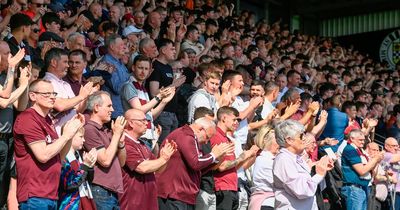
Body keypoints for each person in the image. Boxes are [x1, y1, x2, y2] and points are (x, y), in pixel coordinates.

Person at [13, 79, 84, 208]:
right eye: (46, 94)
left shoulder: (47, 120)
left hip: (51, 194)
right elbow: (43, 155)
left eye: (53, 94)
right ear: (32, 96)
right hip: (34, 195)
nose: (52, 97)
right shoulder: (28, 118)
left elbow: (60, 157)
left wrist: (71, 133)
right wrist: (66, 135)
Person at [157, 116, 234, 210]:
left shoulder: (192, 138)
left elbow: (198, 169)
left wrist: (218, 158)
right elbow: (195, 163)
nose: (206, 142)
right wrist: (213, 155)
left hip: (184, 196)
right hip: (174, 195)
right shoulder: (185, 135)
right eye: (207, 137)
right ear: (200, 129)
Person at [118, 109, 177, 210]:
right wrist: (163, 158)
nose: (147, 123)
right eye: (143, 120)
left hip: (148, 202)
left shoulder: (142, 144)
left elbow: (158, 169)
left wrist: (166, 157)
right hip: (133, 203)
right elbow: (142, 168)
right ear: (131, 123)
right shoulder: (125, 143)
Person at [273, 119, 333, 210]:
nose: (305, 138)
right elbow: (302, 191)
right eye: (301, 136)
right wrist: (319, 174)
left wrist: (322, 168)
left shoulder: (295, 158)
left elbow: (314, 188)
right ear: (289, 140)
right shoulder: (284, 159)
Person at [83, 91, 127, 210]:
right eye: (109, 106)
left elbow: (122, 163)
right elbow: (105, 161)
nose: (112, 110)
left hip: (111, 191)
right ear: (96, 107)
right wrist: (116, 135)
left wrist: (121, 144)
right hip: (100, 190)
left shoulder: (106, 130)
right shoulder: (89, 129)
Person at [120, 55, 175, 148]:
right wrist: (159, 96)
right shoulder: (129, 86)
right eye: (140, 68)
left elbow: (151, 115)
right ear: (133, 68)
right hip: (137, 137)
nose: (143, 72)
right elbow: (139, 111)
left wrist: (164, 102)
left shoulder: (143, 89)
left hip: (148, 136)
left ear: (150, 71)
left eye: (146, 69)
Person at [210, 106, 259, 210]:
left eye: (238, 120)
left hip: (232, 187)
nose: (237, 122)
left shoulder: (226, 138)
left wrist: (248, 156)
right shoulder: (216, 136)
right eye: (234, 119)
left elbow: (233, 167)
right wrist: (242, 157)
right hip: (222, 187)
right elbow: (221, 166)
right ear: (223, 118)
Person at [43, 48, 95, 134]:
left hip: (71, 134)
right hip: (57, 135)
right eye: (65, 62)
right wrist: (81, 96)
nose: (68, 66)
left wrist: (87, 95)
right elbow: (60, 105)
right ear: (54, 63)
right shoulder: (46, 83)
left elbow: (77, 109)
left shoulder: (65, 84)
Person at [341, 129, 384, 210]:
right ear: (352, 138)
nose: (362, 142)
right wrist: (375, 159)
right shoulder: (350, 149)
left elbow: (372, 173)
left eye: (363, 140)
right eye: (360, 140)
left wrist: (377, 161)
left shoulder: (360, 151)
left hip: (363, 188)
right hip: (354, 189)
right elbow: (362, 171)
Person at [58, 127, 97, 210]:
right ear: (71, 136)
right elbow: (69, 185)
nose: (84, 140)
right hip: (69, 204)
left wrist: (89, 167)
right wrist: (85, 166)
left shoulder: (78, 157)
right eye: (81, 136)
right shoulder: (63, 157)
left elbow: (87, 181)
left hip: (81, 202)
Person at [249, 126, 279, 210]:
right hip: (265, 202)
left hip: (273, 202)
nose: (280, 144)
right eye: (277, 141)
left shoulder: (273, 159)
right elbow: (278, 182)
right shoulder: (263, 159)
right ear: (268, 141)